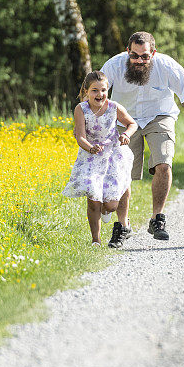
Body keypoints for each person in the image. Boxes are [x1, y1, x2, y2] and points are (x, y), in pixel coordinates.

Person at [100, 31, 184, 247]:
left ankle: (157, 218)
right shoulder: (113, 66)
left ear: (153, 53)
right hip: (124, 121)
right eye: (134, 56)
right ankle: (123, 226)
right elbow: (96, 96)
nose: (139, 61)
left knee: (164, 163)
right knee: (123, 172)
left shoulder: (167, 67)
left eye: (144, 56)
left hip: (160, 116)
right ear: (127, 52)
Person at [63, 71, 138, 246]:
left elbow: (132, 123)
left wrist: (126, 134)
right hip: (91, 156)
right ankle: (95, 240)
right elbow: (80, 136)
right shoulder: (81, 109)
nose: (100, 95)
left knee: (111, 205)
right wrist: (90, 148)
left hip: (113, 155)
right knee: (93, 199)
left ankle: (107, 210)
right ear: (86, 91)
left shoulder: (114, 107)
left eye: (103, 90)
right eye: (95, 91)